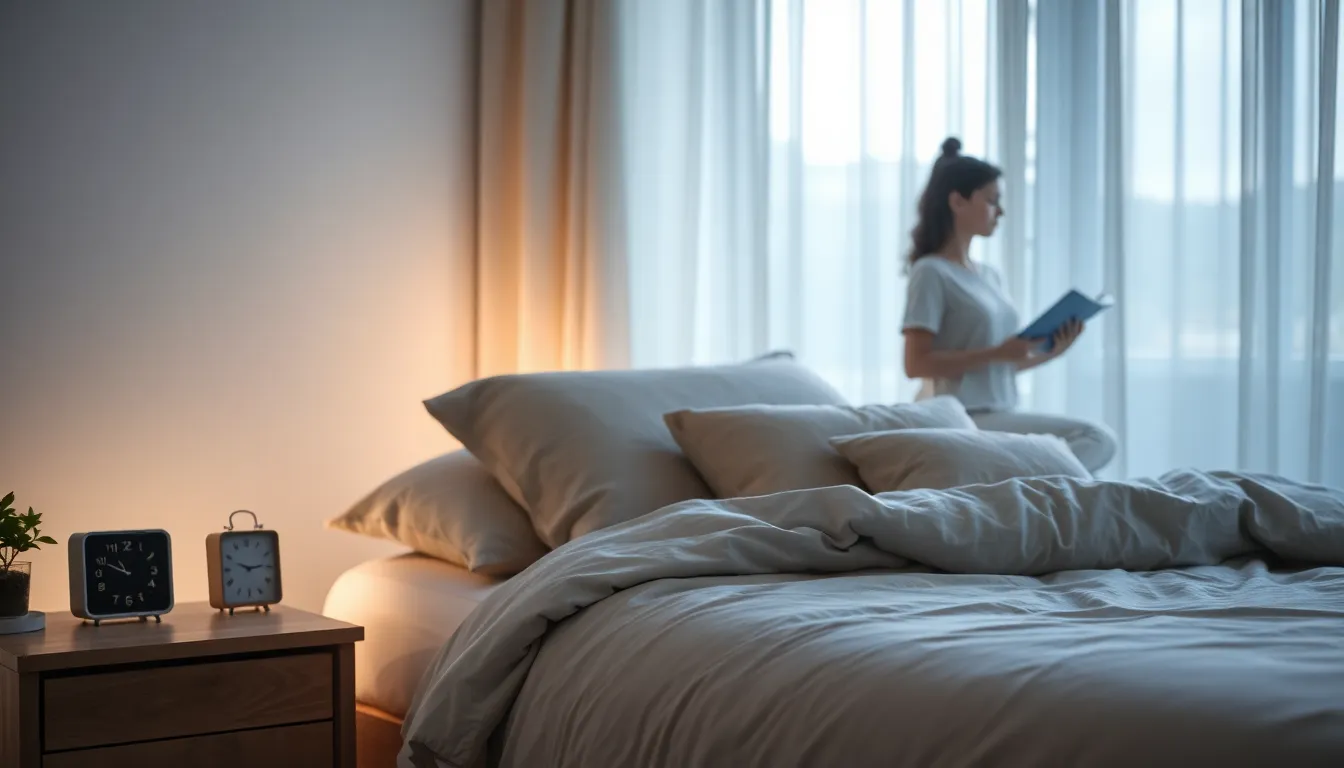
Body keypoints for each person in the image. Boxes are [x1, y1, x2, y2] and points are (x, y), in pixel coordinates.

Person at [900, 137, 1118, 474]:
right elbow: (916, 364)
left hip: (1001, 410)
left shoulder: (989, 275)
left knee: (1096, 441)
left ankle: (1009, 485)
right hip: (963, 416)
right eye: (992, 201)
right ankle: (1015, 487)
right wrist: (998, 353)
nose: (1000, 212)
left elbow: (999, 364)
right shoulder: (930, 272)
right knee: (1094, 438)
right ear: (958, 201)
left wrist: (1050, 352)